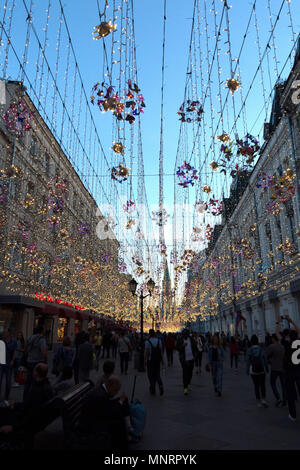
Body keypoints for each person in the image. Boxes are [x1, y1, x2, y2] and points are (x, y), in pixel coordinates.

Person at [0, 363, 53, 437]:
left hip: (26, 422)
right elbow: (29, 405)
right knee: (5, 408)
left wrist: (14, 428)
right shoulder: (45, 385)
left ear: (36, 373)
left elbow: (31, 414)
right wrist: (15, 405)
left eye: (34, 370)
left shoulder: (37, 390)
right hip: (33, 418)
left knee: (2, 412)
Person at [77, 375, 128, 450]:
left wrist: (120, 401)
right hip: (90, 425)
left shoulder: (101, 390)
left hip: (94, 417)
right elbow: (109, 413)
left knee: (122, 405)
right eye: (115, 390)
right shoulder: (101, 396)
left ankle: (125, 438)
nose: (116, 393)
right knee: (119, 422)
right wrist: (120, 402)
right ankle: (122, 445)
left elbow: (106, 408)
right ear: (109, 387)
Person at [276, 315, 300, 421]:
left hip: (289, 371)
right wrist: (291, 321)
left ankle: (293, 415)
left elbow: (277, 335)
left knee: (290, 393)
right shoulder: (298, 342)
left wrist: (278, 323)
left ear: (289, 337)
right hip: (299, 370)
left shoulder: (287, 344)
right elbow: (299, 331)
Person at [23, 325, 47, 400]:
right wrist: (45, 361)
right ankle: (32, 399)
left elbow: (25, 350)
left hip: (29, 361)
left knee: (28, 382)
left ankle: (25, 399)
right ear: (41, 331)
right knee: (36, 382)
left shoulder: (29, 338)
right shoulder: (41, 339)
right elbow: (44, 352)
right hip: (37, 363)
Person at [246, 334, 269, 408]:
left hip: (253, 370)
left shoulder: (249, 350)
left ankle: (258, 401)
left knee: (256, 385)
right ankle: (263, 399)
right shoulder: (261, 349)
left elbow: (248, 361)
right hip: (261, 369)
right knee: (262, 384)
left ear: (251, 342)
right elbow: (265, 359)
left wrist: (247, 370)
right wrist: (267, 368)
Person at [266, 334, 286, 407]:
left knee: (273, 383)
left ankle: (278, 398)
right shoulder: (282, 347)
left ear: (274, 339)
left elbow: (266, 355)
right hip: (282, 368)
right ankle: (284, 399)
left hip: (274, 368)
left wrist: (270, 360)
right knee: (283, 385)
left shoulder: (272, 346)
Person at [176, 330, 198, 395]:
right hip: (184, 359)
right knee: (185, 373)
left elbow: (195, 347)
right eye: (184, 334)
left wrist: (195, 356)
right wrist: (182, 346)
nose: (185, 336)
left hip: (191, 358)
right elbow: (177, 348)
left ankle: (188, 383)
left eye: (186, 334)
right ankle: (185, 387)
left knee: (190, 372)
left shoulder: (191, 339)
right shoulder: (180, 340)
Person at [144, 329, 164, 396]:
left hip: (150, 360)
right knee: (157, 374)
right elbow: (161, 351)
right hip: (157, 360)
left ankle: (152, 388)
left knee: (150, 375)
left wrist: (145, 360)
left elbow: (146, 352)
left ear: (149, 334)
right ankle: (160, 384)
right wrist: (163, 360)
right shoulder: (159, 341)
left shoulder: (147, 341)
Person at [0, 329, 17, 401]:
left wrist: (13, 360)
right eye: (4, 332)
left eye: (6, 332)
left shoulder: (14, 341)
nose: (4, 333)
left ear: (9, 333)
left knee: (8, 381)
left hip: (9, 363)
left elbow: (15, 352)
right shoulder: (1, 340)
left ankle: (6, 397)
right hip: (1, 363)